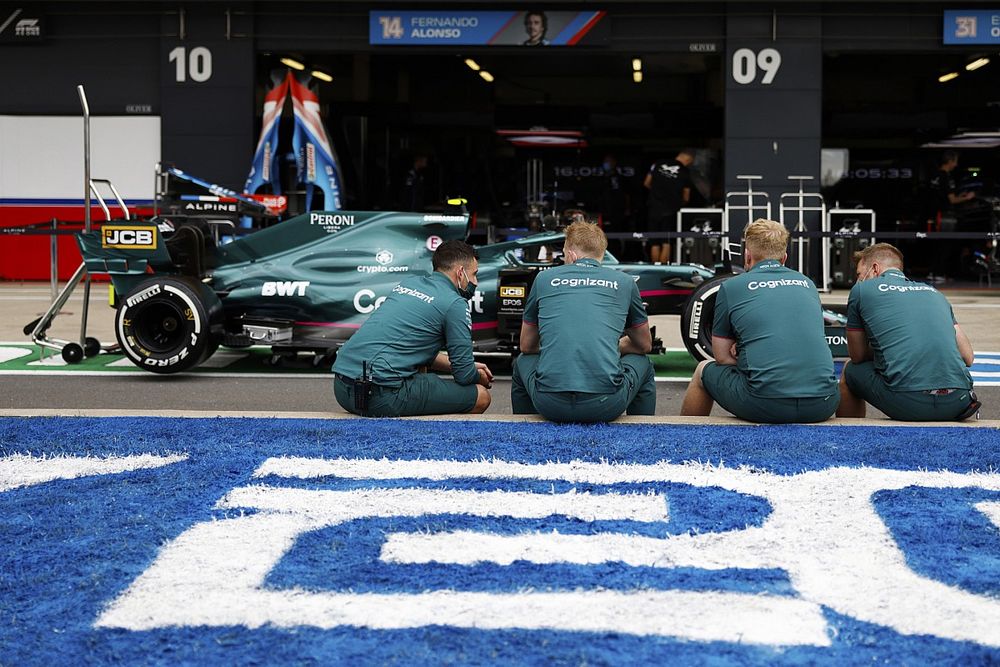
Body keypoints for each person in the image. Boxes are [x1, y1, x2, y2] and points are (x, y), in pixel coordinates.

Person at [680, 218, 839, 423]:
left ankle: (685, 437)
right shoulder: (808, 284)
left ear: (747, 256)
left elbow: (721, 357)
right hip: (824, 403)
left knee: (703, 369)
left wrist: (749, 352)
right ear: (784, 258)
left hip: (765, 404)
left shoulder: (732, 286)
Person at [511, 221, 656, 422]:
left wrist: (561, 347)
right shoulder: (625, 282)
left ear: (570, 254)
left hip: (549, 403)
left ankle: (522, 433)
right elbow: (644, 345)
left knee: (521, 361)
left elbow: (526, 346)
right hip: (606, 403)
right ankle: (645, 434)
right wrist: (615, 346)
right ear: (602, 254)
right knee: (643, 363)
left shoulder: (544, 279)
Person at [332, 240, 493, 417]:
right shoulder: (455, 303)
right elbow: (464, 376)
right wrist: (478, 376)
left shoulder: (409, 284)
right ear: (461, 273)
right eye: (475, 274)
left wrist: (468, 366)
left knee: (420, 368)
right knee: (481, 396)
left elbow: (414, 347)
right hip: (379, 397)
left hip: (342, 388)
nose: (476, 282)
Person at [836, 243, 979, 421]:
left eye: (859, 274)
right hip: (959, 400)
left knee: (850, 370)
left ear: (874, 269)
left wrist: (889, 347)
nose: (858, 281)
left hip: (911, 403)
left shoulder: (861, 291)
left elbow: (857, 356)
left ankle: (848, 436)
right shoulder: (934, 293)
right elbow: (968, 356)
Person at [925, 150, 975, 282]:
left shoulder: (933, 175)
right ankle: (938, 273)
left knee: (938, 244)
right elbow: (952, 200)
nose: (956, 164)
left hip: (934, 215)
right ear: (950, 161)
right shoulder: (946, 176)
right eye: (955, 161)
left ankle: (933, 272)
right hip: (944, 216)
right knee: (945, 244)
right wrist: (967, 197)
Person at [643, 149, 694, 265]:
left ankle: (655, 268)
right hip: (670, 210)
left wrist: (657, 193)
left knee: (654, 241)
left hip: (653, 207)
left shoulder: (658, 163)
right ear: (688, 160)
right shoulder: (685, 172)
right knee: (666, 241)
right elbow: (686, 197)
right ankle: (664, 268)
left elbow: (646, 183)